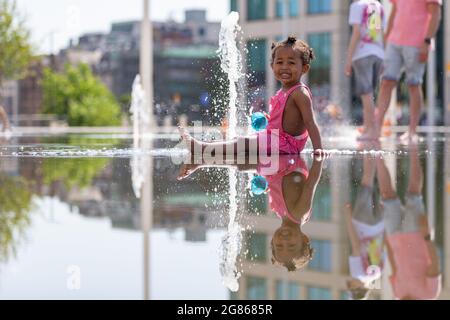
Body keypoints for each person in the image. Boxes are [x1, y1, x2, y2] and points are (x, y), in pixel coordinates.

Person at [179, 36, 325, 157]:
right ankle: (208, 148)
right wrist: (270, 119)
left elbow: (310, 122)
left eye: (291, 63)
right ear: (272, 66)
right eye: (279, 62)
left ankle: (203, 148)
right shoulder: (282, 92)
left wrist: (318, 148)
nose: (284, 67)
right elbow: (285, 120)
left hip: (287, 145)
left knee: (243, 143)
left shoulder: (300, 92)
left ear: (304, 68)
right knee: (242, 143)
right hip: (277, 139)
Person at [178, 154, 325, 272]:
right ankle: (203, 159)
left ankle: (204, 158)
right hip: (288, 160)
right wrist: (318, 160)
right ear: (304, 238)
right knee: (243, 162)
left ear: (272, 241)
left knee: (243, 161)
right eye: (292, 245)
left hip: (277, 162)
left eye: (279, 246)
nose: (284, 241)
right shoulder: (300, 213)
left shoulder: (281, 213)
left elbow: (279, 189)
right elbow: (311, 184)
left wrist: (269, 187)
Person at [377, 143, 441, 299]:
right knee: (414, 192)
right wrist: (427, 236)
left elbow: (394, 266)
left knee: (386, 194)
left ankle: (376, 150)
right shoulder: (429, 295)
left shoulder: (398, 294)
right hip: (416, 234)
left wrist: (385, 238)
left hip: (394, 236)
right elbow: (434, 264)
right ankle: (413, 145)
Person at [372, 0, 442, 141]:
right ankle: (376, 129)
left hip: (417, 43)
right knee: (386, 82)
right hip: (394, 42)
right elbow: (395, 10)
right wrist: (386, 38)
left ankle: (412, 131)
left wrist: (426, 41)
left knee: (413, 84)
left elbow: (435, 14)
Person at [344, 143, 385, 300]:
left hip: (379, 226)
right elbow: (355, 245)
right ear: (355, 289)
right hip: (362, 225)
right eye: (350, 286)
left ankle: (377, 154)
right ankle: (372, 147)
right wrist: (347, 217)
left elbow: (382, 248)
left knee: (376, 186)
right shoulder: (358, 273)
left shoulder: (377, 273)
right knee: (366, 183)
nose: (349, 282)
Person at [345, 0, 385, 140]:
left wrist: (348, 59)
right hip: (378, 53)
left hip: (362, 54)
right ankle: (368, 127)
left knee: (366, 94)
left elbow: (356, 33)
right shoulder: (378, 6)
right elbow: (380, 33)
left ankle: (371, 130)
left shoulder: (357, 6)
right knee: (370, 94)